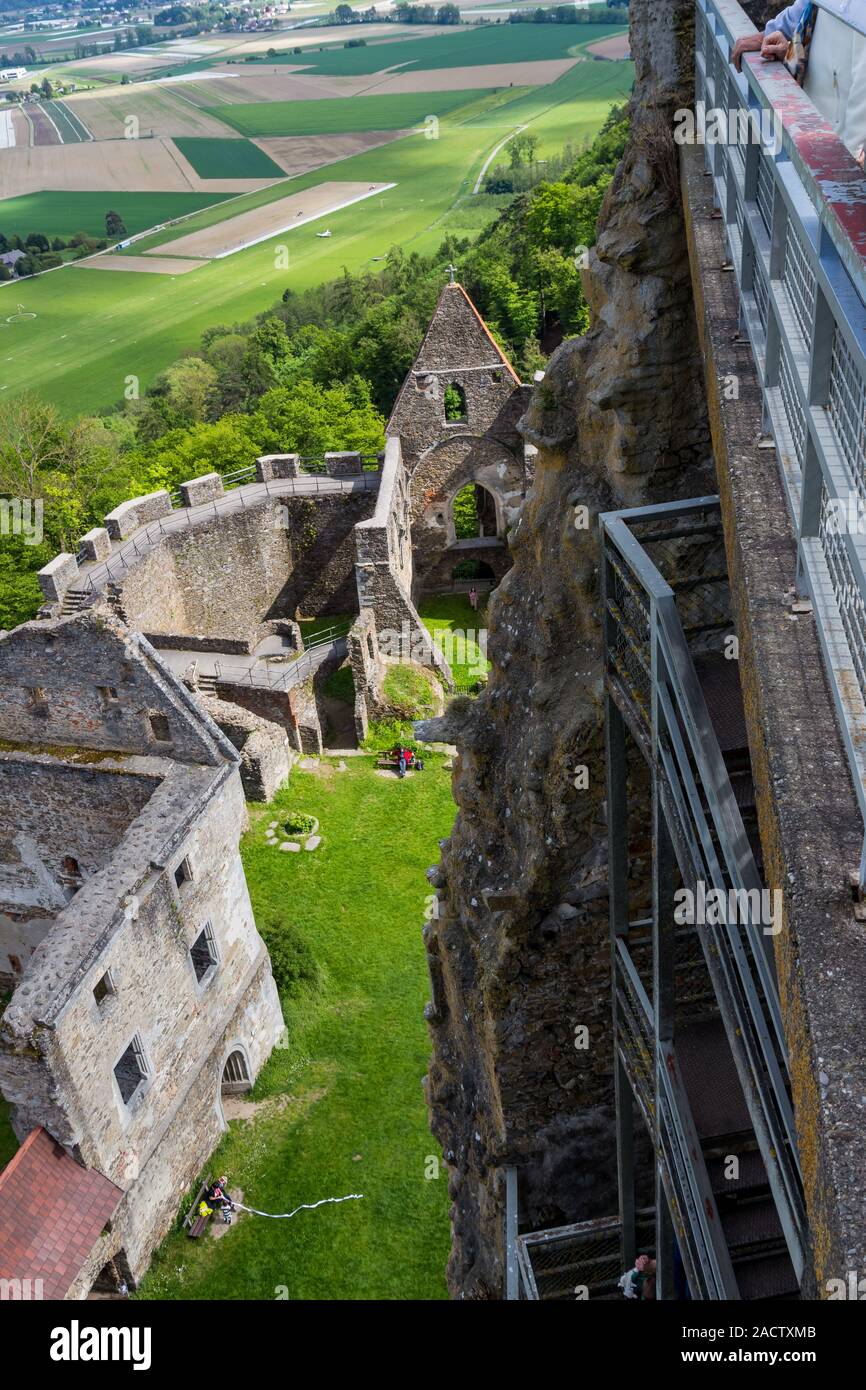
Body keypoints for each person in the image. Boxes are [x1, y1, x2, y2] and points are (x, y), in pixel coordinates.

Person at [732, 1, 866, 165]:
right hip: (817, 132)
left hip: (840, 151)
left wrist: (850, 163)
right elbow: (804, 9)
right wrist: (787, 48)